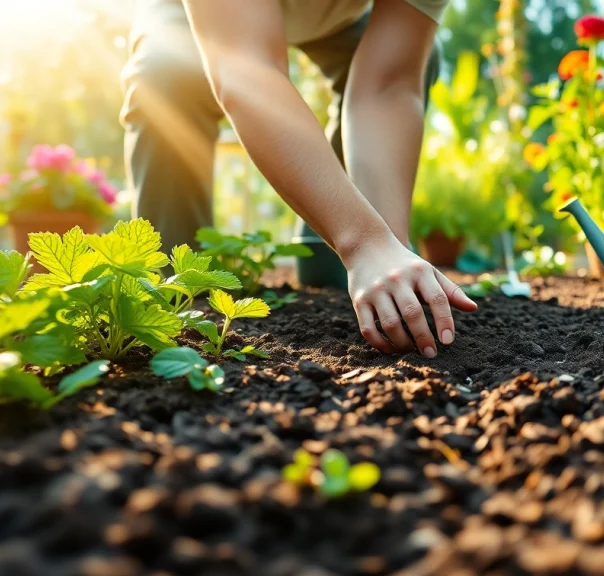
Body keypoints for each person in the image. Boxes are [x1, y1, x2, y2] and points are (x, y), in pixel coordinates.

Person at [120, 0, 477, 359]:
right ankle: (176, 292)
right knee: (164, 75)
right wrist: (361, 241)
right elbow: (244, 68)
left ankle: (335, 251)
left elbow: (388, 86)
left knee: (417, 56)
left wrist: (385, 245)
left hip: (333, 21)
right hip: (201, 13)